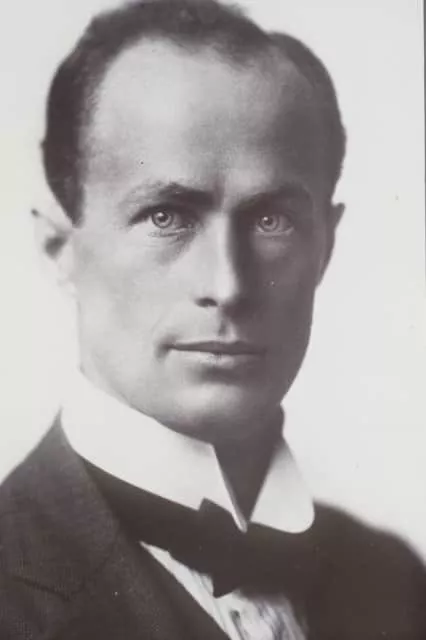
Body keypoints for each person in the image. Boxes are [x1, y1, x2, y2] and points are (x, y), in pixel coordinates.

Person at [0, 1, 424, 638]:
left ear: (326, 246)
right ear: (60, 248)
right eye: (166, 216)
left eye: (272, 220)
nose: (228, 285)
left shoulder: (393, 579)